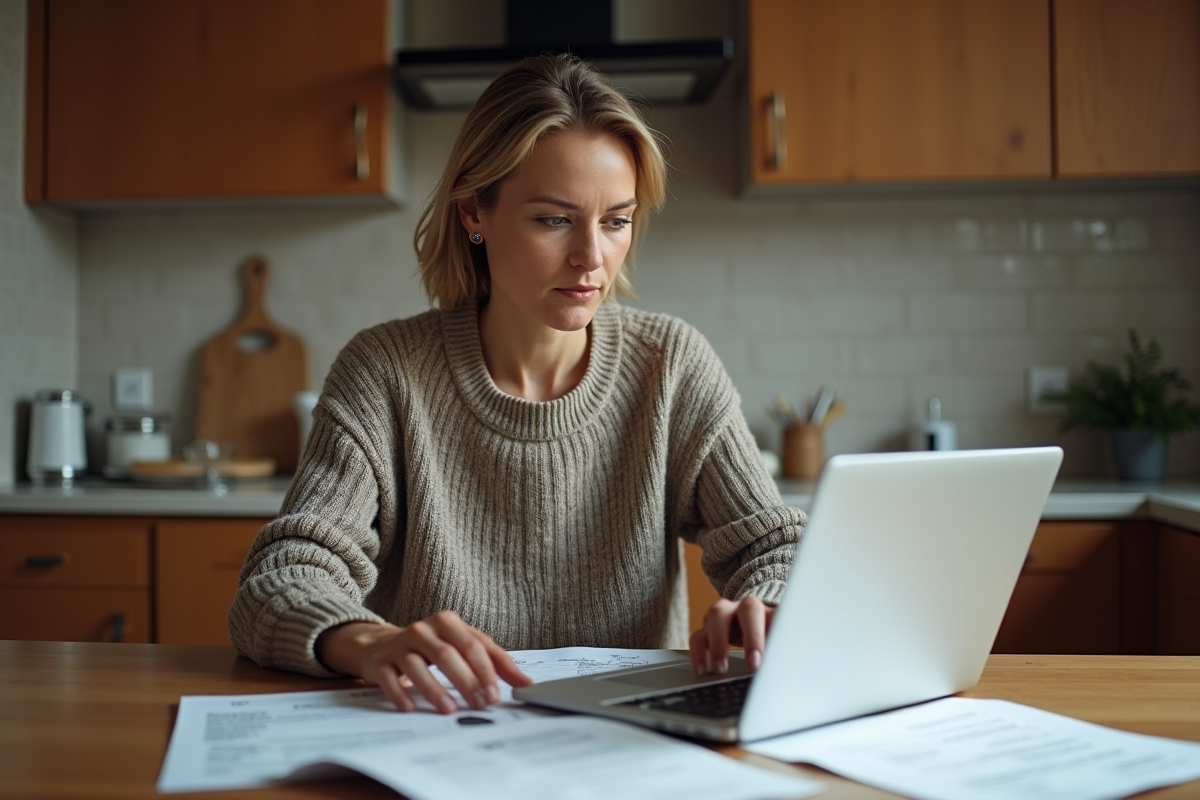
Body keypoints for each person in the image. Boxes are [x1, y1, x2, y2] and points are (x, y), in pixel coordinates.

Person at [229, 53, 804, 715]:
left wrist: (771, 602)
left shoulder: (672, 365)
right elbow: (280, 578)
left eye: (616, 221)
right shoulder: (385, 371)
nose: (591, 257)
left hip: (627, 738)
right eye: (554, 220)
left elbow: (776, 547)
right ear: (473, 211)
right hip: (441, 728)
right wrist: (365, 640)